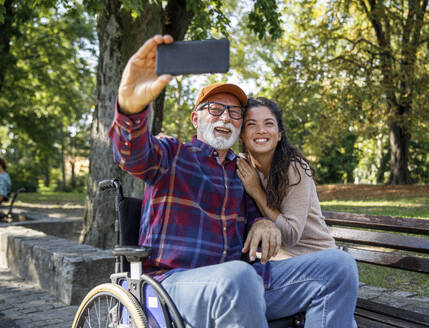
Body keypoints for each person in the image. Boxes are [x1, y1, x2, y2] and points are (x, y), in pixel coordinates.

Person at [109, 34, 358, 328]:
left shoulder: (241, 173)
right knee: (238, 277)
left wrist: (263, 223)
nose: (225, 117)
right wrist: (130, 108)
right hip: (173, 284)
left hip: (244, 283)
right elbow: (131, 154)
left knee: (339, 266)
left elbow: (255, 222)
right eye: (215, 109)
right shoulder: (172, 155)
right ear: (195, 119)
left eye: (235, 112)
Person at [237, 97, 337, 260]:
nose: (261, 130)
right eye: (251, 124)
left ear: (279, 135)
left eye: (268, 123)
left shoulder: (294, 168)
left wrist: (256, 190)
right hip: (276, 261)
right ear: (241, 135)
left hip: (317, 258)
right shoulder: (243, 166)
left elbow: (290, 236)